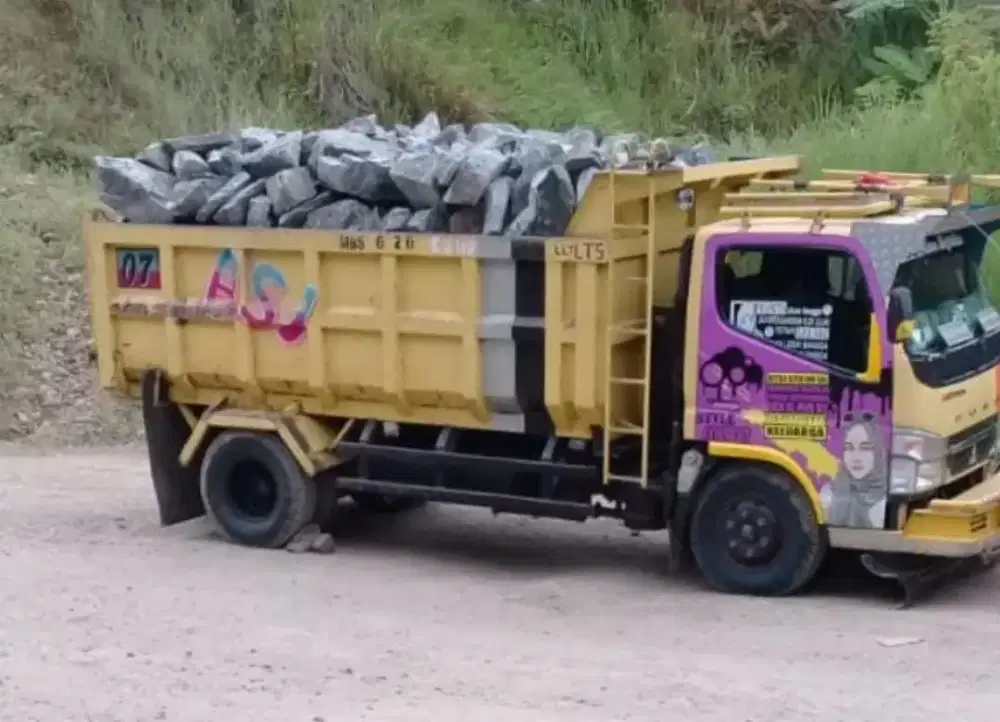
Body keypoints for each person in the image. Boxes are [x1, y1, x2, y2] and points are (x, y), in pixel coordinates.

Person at [821, 413, 887, 528]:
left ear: (877, 453)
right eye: (848, 448)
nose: (856, 457)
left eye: (865, 448)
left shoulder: (887, 500)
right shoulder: (828, 493)